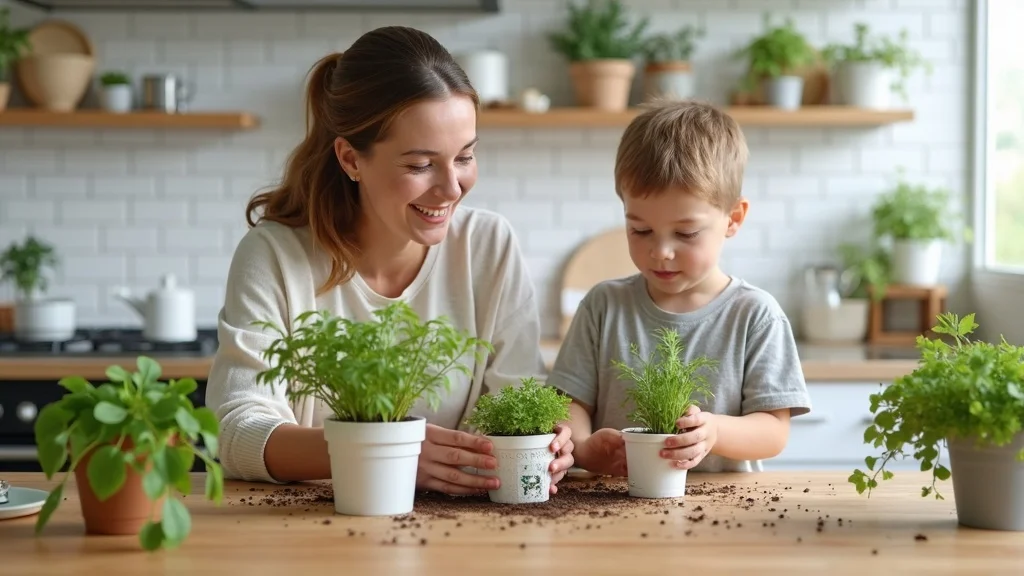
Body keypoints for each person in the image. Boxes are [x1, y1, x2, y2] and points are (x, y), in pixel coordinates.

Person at [205, 26, 574, 496]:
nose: (452, 188)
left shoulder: (488, 244)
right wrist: (387, 452)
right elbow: (235, 432)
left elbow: (516, 396)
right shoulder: (277, 256)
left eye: (465, 156)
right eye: (420, 165)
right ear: (351, 159)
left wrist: (546, 440)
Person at [548, 100, 812, 477]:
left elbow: (774, 430)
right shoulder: (604, 306)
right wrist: (586, 448)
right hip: (613, 506)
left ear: (733, 218)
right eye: (640, 230)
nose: (661, 251)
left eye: (686, 233)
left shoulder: (755, 314)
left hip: (726, 512)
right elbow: (569, 403)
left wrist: (714, 431)